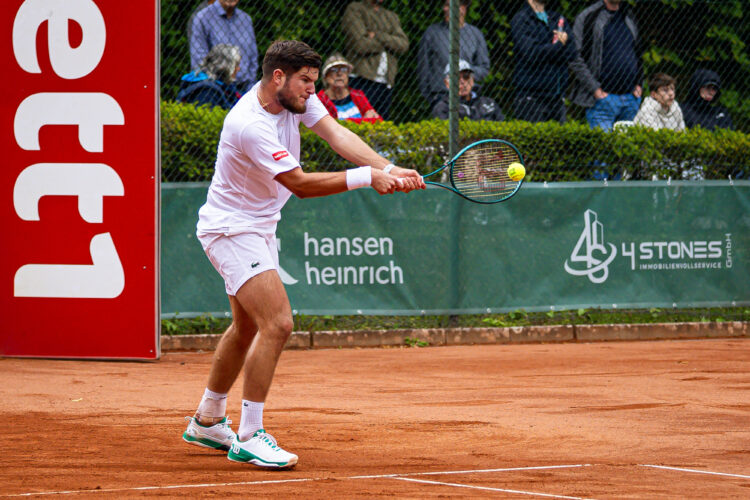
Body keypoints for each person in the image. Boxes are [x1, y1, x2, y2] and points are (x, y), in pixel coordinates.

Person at [182, 40, 425, 468]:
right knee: (278, 323)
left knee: (246, 327)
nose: (313, 90)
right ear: (279, 77)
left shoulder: (295, 100)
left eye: (314, 81)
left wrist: (386, 168)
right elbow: (299, 184)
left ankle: (208, 419)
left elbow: (337, 134)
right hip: (232, 229)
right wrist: (367, 178)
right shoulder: (249, 124)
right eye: (307, 81)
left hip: (258, 226)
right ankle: (249, 435)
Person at [568, 0, 643, 131]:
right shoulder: (588, 17)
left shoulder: (629, 16)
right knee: (603, 144)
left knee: (628, 144)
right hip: (602, 101)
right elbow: (574, 56)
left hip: (630, 99)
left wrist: (639, 84)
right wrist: (595, 90)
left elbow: (638, 52)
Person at [341, 0, 409, 120]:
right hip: (362, 79)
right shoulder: (355, 9)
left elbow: (403, 45)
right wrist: (390, 44)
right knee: (360, 122)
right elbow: (361, 45)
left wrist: (377, 35)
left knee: (382, 125)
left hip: (386, 82)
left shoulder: (391, 16)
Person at [511, 0, 577, 123]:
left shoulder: (558, 18)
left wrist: (552, 49)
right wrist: (559, 45)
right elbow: (532, 53)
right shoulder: (521, 19)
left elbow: (572, 52)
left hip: (557, 96)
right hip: (532, 97)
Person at [418, 0, 490, 108]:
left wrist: (464, 74)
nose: (445, 9)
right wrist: (430, 97)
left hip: (468, 98)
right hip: (441, 96)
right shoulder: (432, 33)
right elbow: (423, 69)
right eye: (444, 5)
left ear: (463, 8)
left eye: (449, 5)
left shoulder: (475, 34)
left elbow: (484, 68)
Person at [190, 0, 258, 93]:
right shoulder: (202, 18)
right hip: (215, 89)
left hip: (244, 88)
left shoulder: (246, 19)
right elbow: (199, 59)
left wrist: (250, 87)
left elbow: (253, 58)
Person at [316, 53, 382, 123]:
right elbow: (332, 125)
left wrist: (347, 121)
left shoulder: (358, 95)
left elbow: (378, 120)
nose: (339, 73)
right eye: (334, 69)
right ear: (325, 77)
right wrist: (365, 120)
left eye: (344, 69)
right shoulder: (320, 100)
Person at [431, 60, 504, 122]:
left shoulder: (489, 103)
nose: (462, 81)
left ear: (472, 80)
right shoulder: (443, 107)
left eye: (466, 76)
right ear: (447, 84)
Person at [177, 43, 243, 110]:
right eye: (236, 65)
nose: (238, 69)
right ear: (226, 66)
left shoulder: (225, 85)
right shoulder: (207, 91)